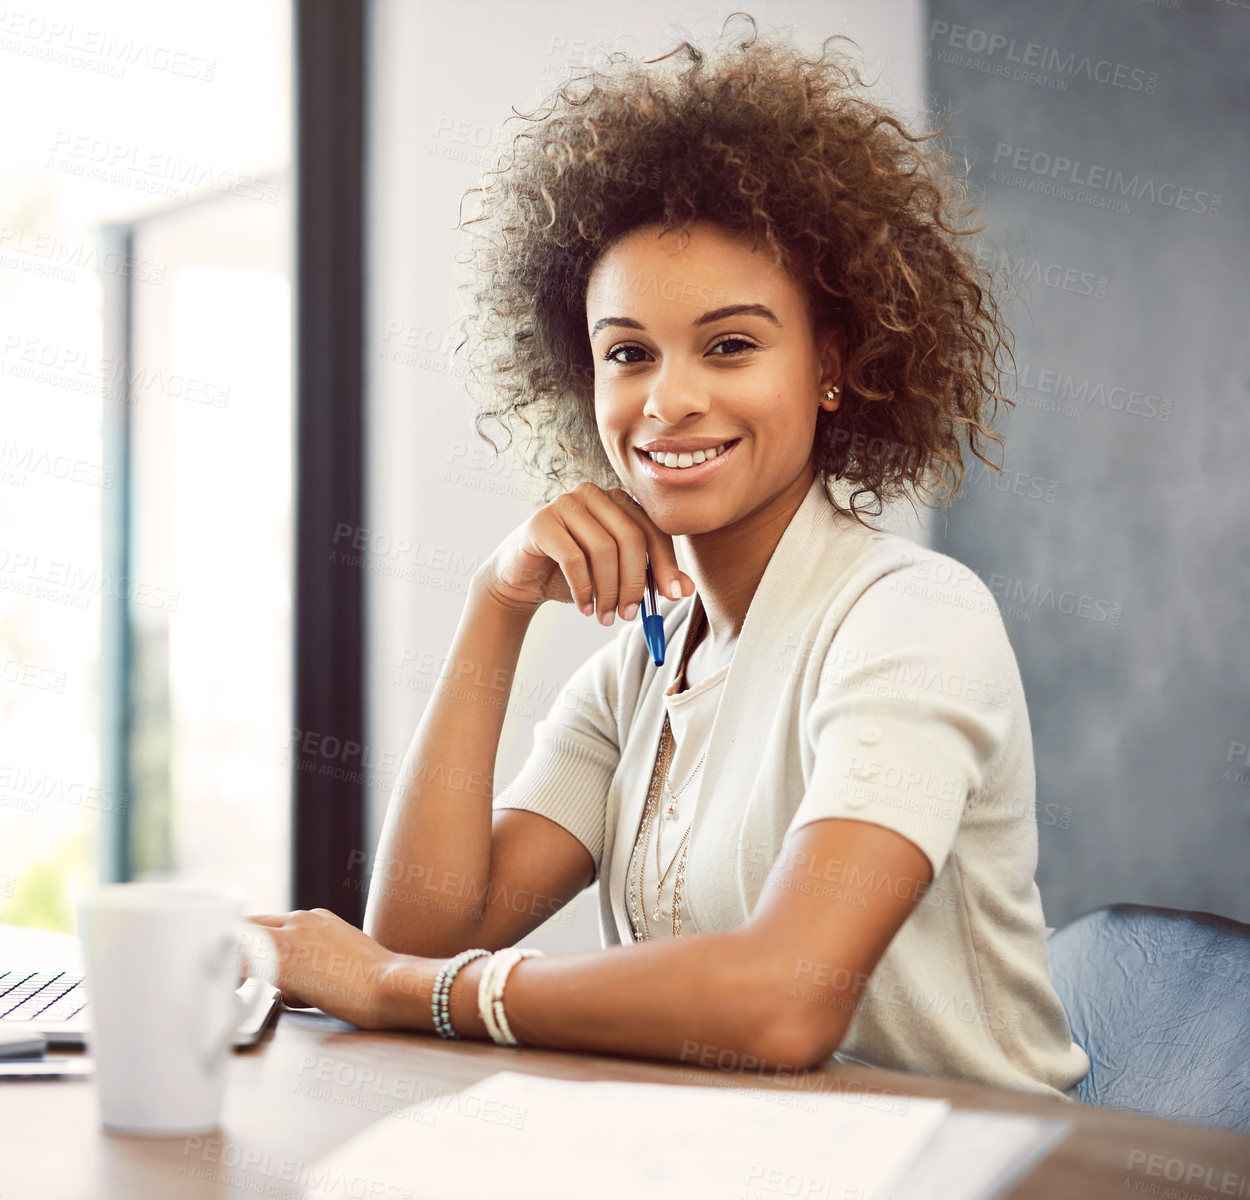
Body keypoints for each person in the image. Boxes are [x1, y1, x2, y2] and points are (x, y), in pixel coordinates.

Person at [246, 15, 1091, 1100]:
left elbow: (785, 999)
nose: (667, 400)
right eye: (627, 354)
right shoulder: (644, 671)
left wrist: (425, 991)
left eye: (730, 345)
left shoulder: (910, 617)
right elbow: (421, 924)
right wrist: (496, 602)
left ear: (833, 361)